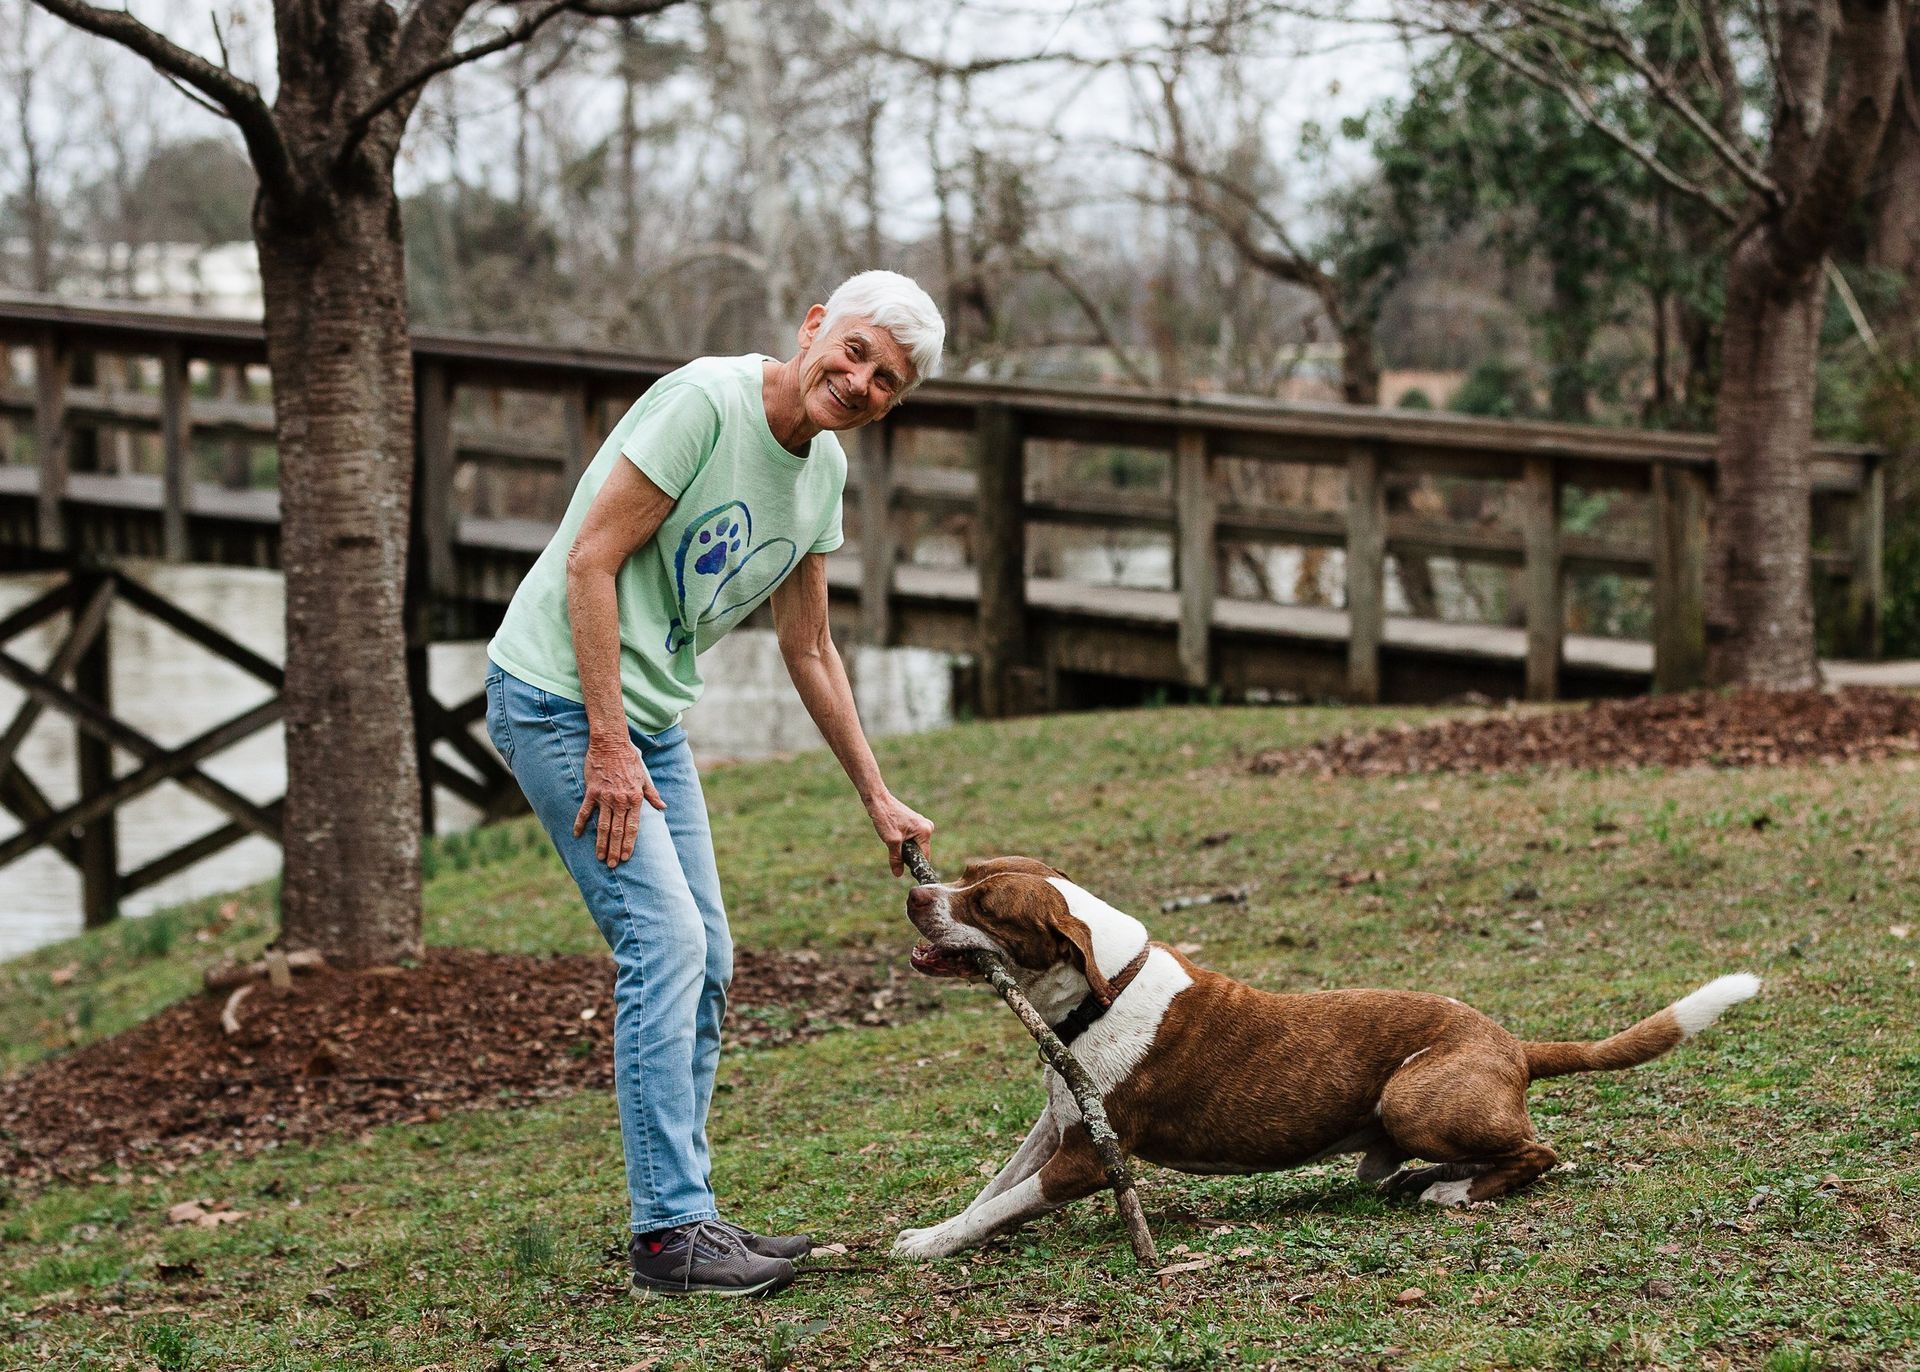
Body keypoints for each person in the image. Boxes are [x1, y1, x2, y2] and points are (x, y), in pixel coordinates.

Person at [483, 271, 943, 1298]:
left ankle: (685, 1212)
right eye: (858, 351)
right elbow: (591, 563)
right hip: (562, 698)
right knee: (666, 942)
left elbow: (811, 644)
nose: (863, 380)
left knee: (712, 955)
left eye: (890, 381)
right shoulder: (707, 401)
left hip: (645, 715)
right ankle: (668, 1235)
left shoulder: (819, 472)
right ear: (815, 326)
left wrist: (877, 793)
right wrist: (608, 742)